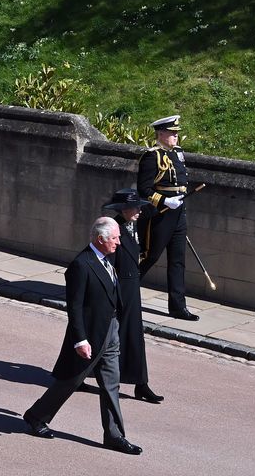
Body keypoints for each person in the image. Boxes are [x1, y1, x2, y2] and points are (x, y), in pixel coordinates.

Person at [23, 217, 142, 455]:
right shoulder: (82, 264)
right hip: (89, 336)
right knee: (71, 381)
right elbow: (74, 307)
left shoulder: (108, 260)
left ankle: (114, 435)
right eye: (115, 238)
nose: (119, 242)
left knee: (111, 385)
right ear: (100, 239)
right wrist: (80, 340)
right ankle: (36, 416)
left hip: (111, 332)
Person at [103, 188, 164, 404]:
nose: (140, 210)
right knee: (102, 334)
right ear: (124, 209)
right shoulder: (114, 228)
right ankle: (77, 373)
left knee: (134, 336)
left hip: (131, 288)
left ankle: (141, 383)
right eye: (136, 207)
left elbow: (154, 213)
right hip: (119, 288)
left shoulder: (132, 224)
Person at [137, 115, 197, 321]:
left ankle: (178, 307)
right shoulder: (151, 156)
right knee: (149, 256)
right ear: (160, 134)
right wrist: (164, 201)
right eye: (172, 133)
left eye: (176, 133)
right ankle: (121, 293)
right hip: (160, 214)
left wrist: (178, 201)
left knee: (178, 261)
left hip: (178, 212)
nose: (175, 136)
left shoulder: (178, 153)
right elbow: (143, 189)